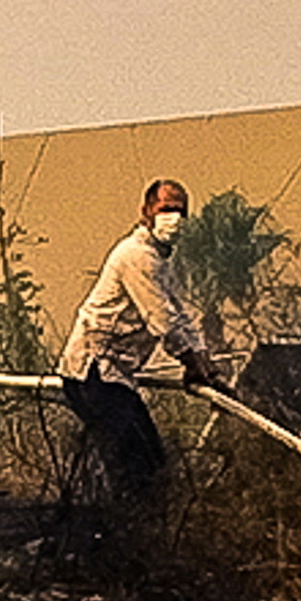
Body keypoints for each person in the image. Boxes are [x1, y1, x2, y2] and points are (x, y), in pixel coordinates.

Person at [57, 177, 223, 503]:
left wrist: (208, 369)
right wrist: (192, 365)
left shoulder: (160, 261)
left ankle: (135, 532)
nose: (172, 218)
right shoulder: (135, 256)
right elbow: (163, 321)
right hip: (93, 374)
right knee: (136, 470)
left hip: (114, 378)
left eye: (179, 211)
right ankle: (123, 539)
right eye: (165, 209)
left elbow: (181, 316)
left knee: (150, 464)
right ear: (146, 211)